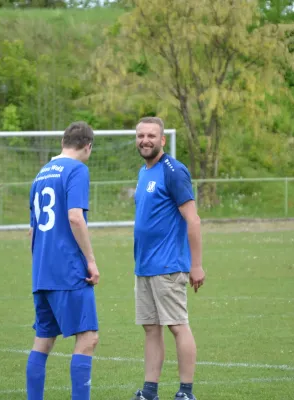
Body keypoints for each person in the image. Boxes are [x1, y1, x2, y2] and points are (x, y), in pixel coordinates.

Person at [131, 117, 206, 400]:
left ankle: (186, 392)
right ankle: (149, 391)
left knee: (176, 325)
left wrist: (195, 265)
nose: (145, 140)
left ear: (162, 140)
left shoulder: (173, 171)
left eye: (151, 135)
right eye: (140, 135)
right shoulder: (143, 172)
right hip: (144, 266)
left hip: (168, 265)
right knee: (151, 329)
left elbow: (193, 220)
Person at [26, 121, 100, 400]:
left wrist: (39, 267)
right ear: (87, 146)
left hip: (42, 270)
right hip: (68, 270)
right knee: (88, 337)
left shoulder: (41, 173)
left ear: (62, 142)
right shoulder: (77, 169)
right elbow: (75, 217)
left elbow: (32, 231)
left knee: (43, 341)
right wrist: (90, 260)